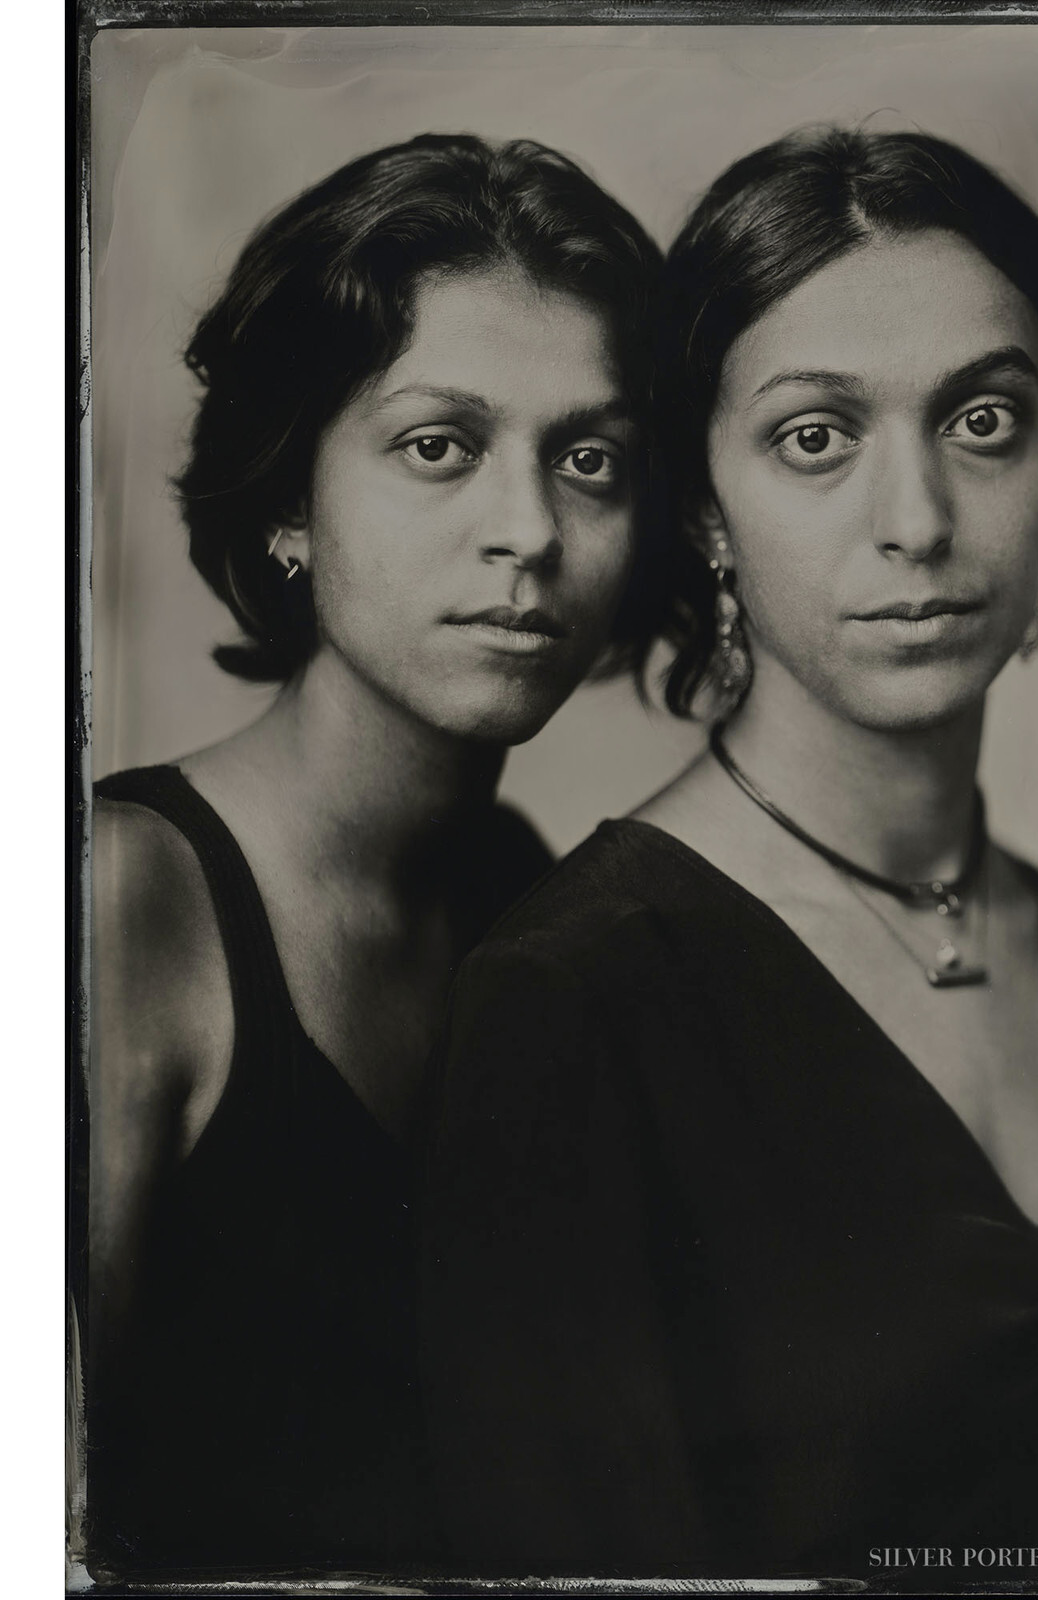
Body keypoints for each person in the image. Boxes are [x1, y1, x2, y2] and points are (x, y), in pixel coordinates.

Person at [420, 128, 1038, 1580]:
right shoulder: (574, 1000)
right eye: (815, 436)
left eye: (983, 422)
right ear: (705, 509)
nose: (916, 523)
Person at [86, 131, 662, 1577]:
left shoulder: (527, 893)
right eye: (438, 447)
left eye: (588, 459)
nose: (528, 532)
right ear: (289, 498)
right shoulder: (118, 903)